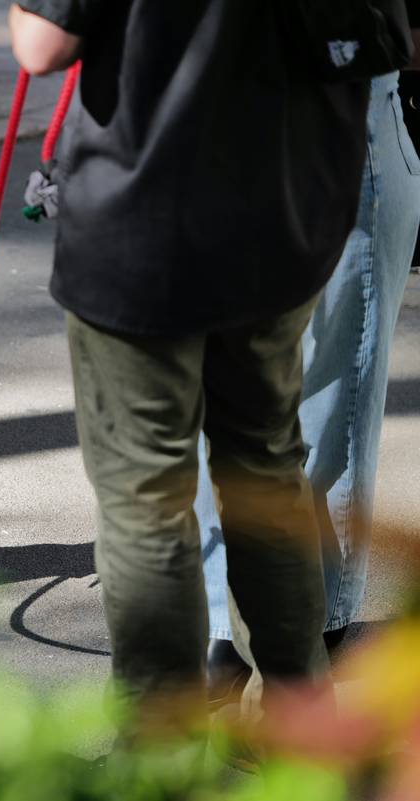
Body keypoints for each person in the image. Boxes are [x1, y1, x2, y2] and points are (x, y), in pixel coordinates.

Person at [8, 2, 372, 729]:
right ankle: (301, 737)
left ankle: (160, 759)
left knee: (147, 500)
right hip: (282, 218)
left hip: (144, 223)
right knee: (266, 466)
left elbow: (40, 43)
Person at [203, 55, 420, 701]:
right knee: (241, 403)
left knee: (325, 397)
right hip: (225, 128)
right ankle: (241, 628)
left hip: (337, 121)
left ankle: (302, 637)